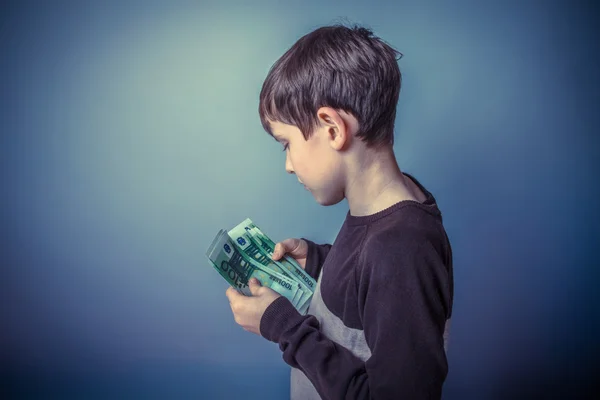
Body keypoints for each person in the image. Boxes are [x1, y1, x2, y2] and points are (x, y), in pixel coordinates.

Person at [225, 23, 454, 399]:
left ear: (332, 128)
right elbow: (371, 290)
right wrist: (317, 260)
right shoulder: (382, 214)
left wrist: (286, 328)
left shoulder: (402, 247)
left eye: (286, 144)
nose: (288, 165)